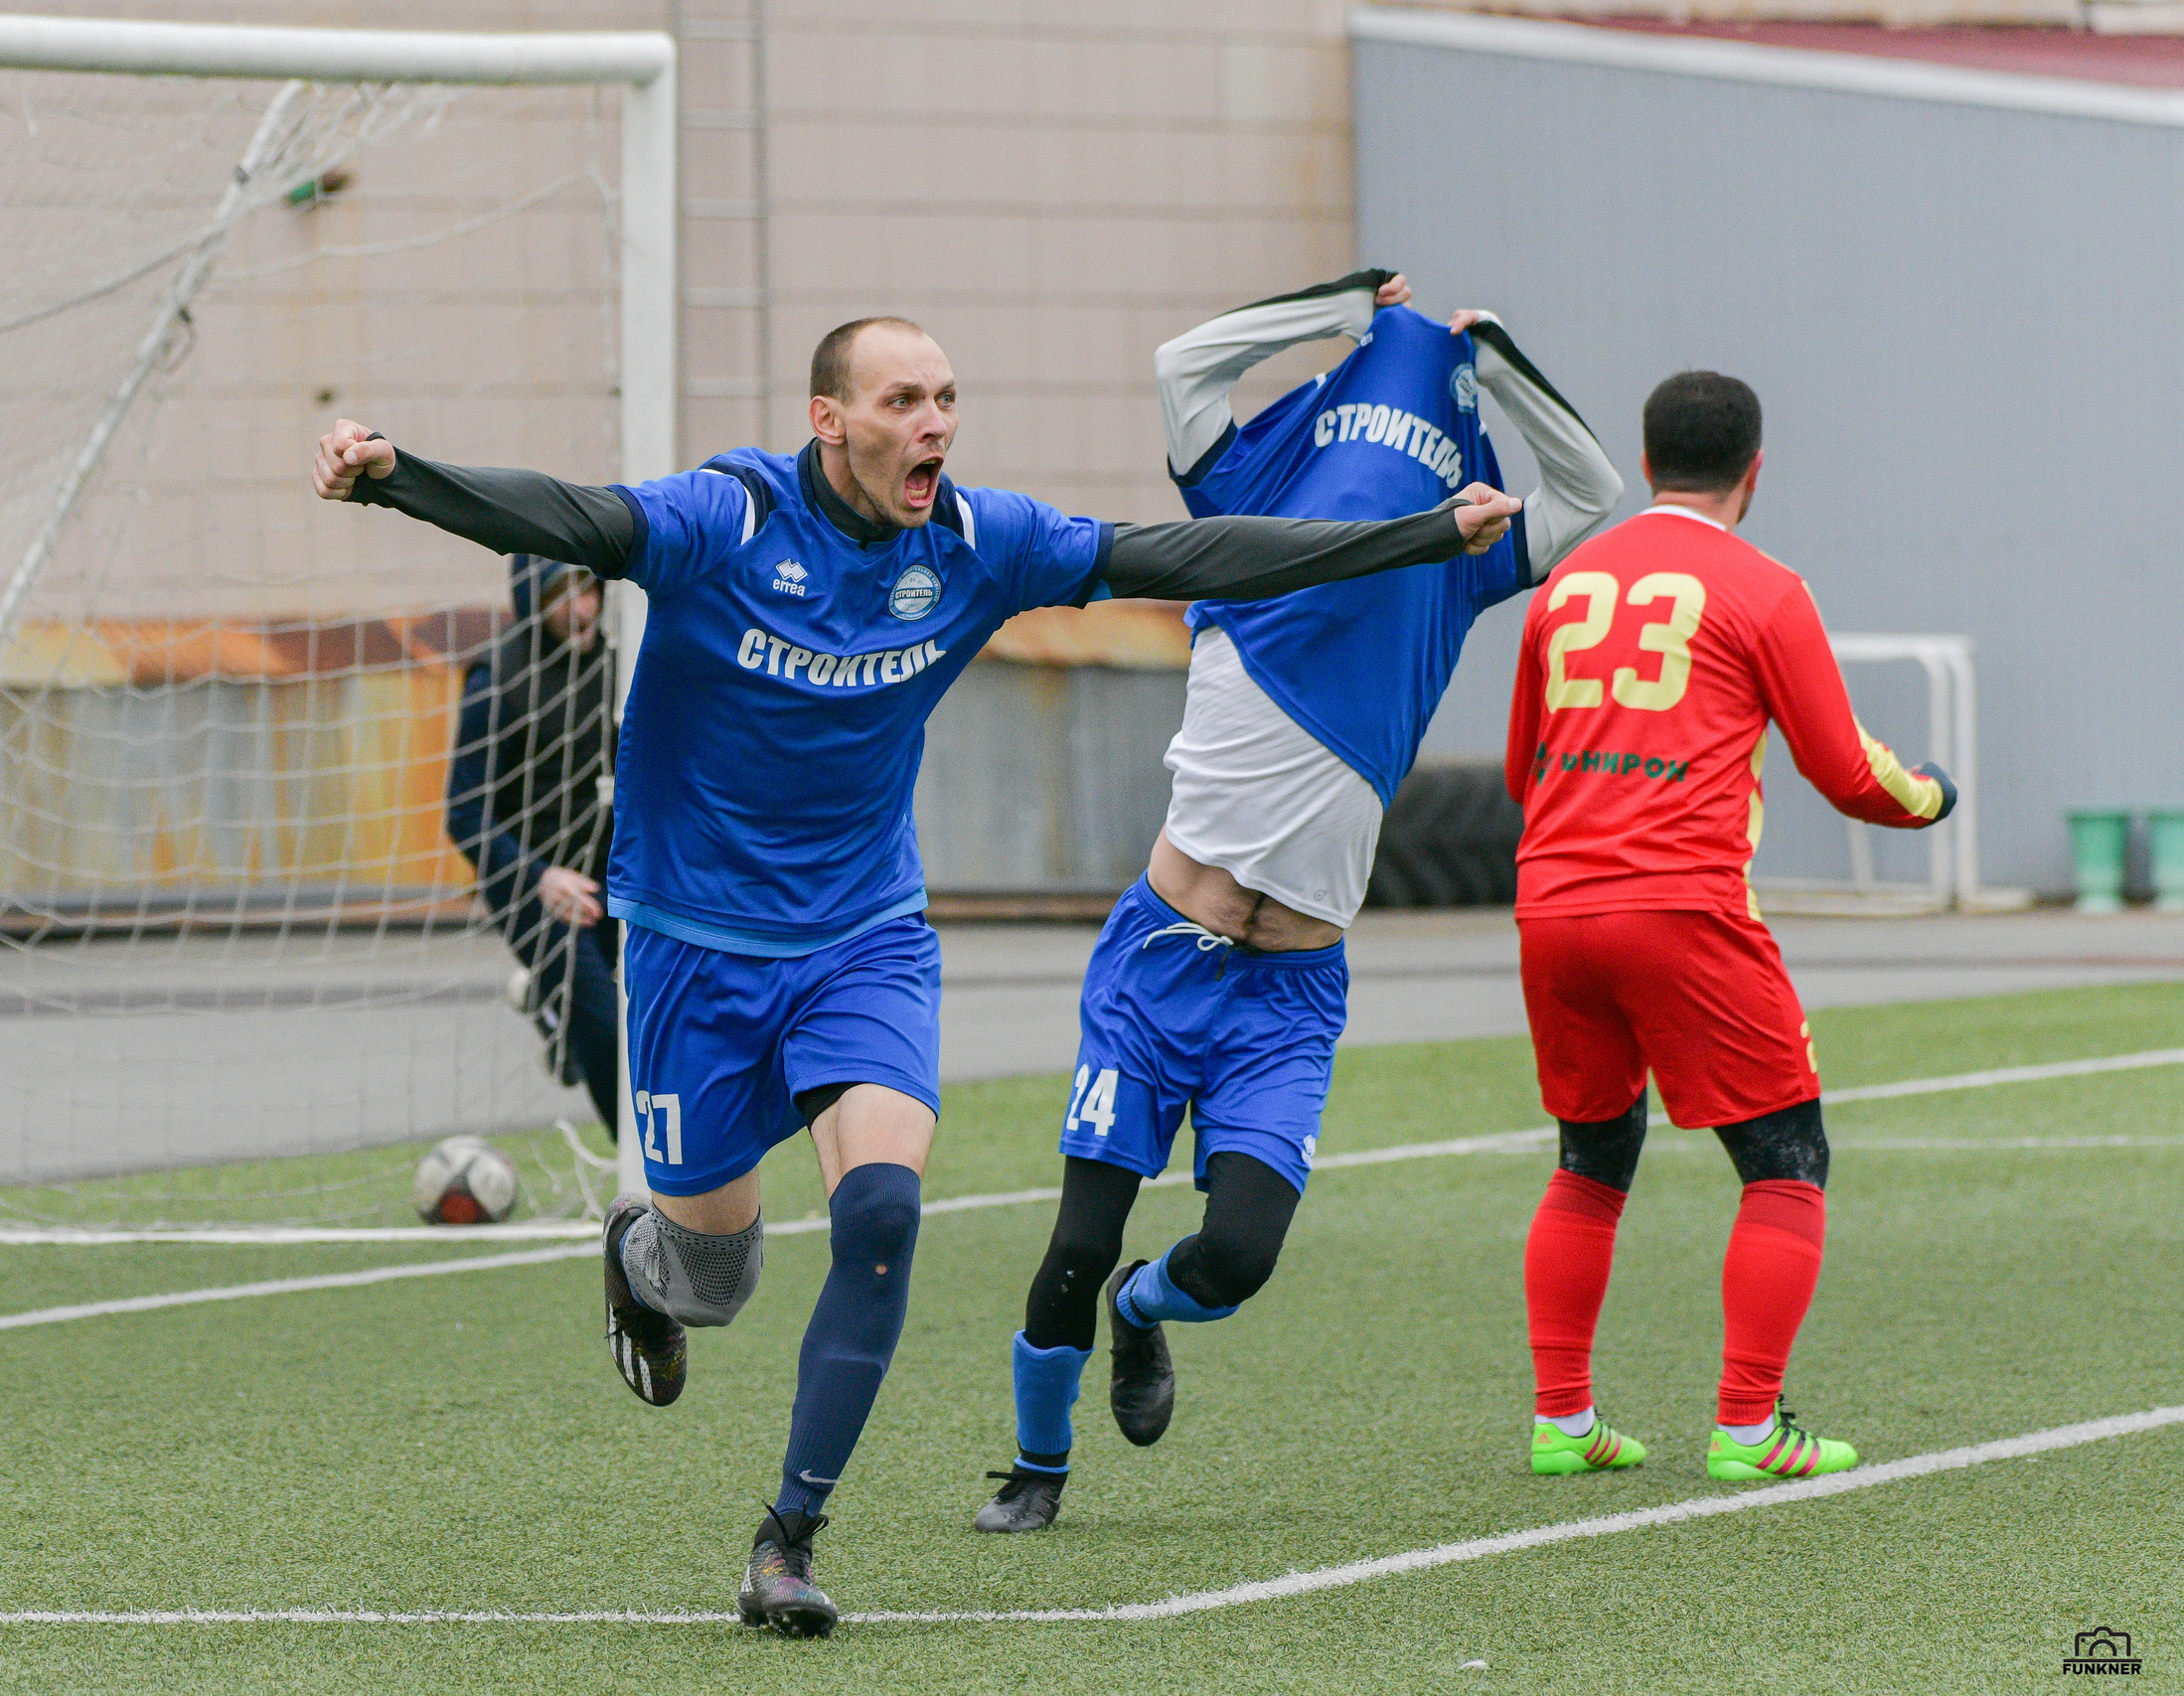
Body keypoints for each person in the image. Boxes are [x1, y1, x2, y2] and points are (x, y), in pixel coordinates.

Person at [315, 315, 1519, 1635]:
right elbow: (578, 519)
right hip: (689, 942)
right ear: (831, 418)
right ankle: (640, 1258)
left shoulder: (978, 543)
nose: (936, 421)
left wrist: (1419, 534)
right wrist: (397, 475)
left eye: (948, 395)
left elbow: (1179, 551)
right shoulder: (727, 516)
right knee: (711, 1279)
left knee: (884, 1208)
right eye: (904, 398)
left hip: (864, 936)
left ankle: (789, 1536)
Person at [976, 270, 1623, 1533]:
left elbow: (1593, 491)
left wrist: (1496, 363)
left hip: (1290, 992)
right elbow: (1182, 365)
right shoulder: (1251, 501)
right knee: (1073, 1240)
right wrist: (1338, 308)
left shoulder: (1461, 560)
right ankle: (1035, 1468)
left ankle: (1142, 1313)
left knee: (1240, 1257)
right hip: (1159, 964)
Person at [1504, 371, 1953, 1482]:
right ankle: (1749, 1428)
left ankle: (1563, 1419)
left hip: (1551, 903)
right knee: (1785, 1157)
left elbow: (1525, 769)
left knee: (1591, 1156)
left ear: (1645, 461)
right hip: (1681, 905)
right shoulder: (1763, 588)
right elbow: (1849, 773)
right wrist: (1932, 794)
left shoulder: (1564, 586)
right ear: (1756, 470)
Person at [445, 555, 618, 1133]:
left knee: (661, 1015)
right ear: (532, 601)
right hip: (532, 886)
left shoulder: (618, 667)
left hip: (611, 877)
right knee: (605, 1028)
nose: (582, 608)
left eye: (589, 589)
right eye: (562, 594)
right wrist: (541, 877)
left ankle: (553, 1012)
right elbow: (463, 813)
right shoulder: (495, 677)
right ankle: (648, 1180)